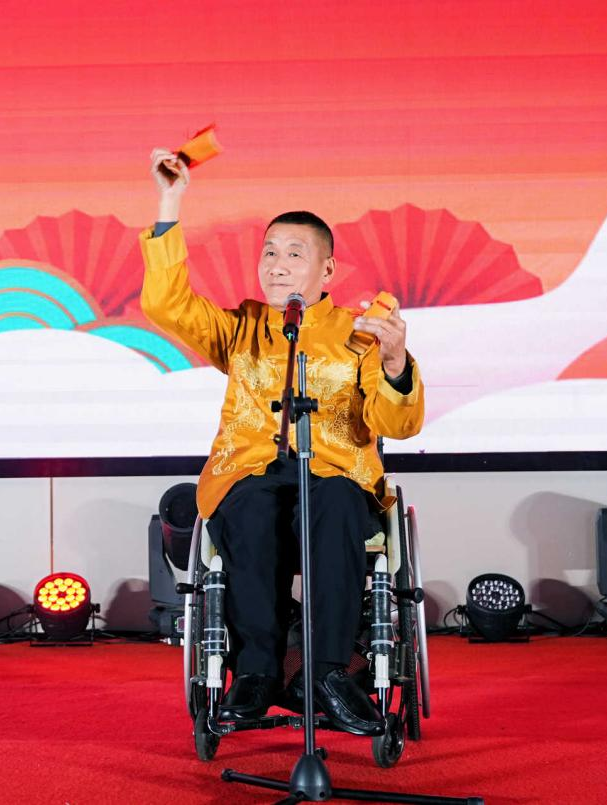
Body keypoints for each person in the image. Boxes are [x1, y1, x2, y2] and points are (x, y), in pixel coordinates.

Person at [139, 148, 425, 736]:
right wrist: (170, 200)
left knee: (335, 501)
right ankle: (257, 673)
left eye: (294, 253)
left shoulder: (361, 334)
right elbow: (166, 304)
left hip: (337, 476)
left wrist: (396, 363)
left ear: (327, 271)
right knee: (250, 507)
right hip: (251, 473)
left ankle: (328, 673)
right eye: (268, 252)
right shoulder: (242, 327)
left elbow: (398, 425)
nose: (276, 265)